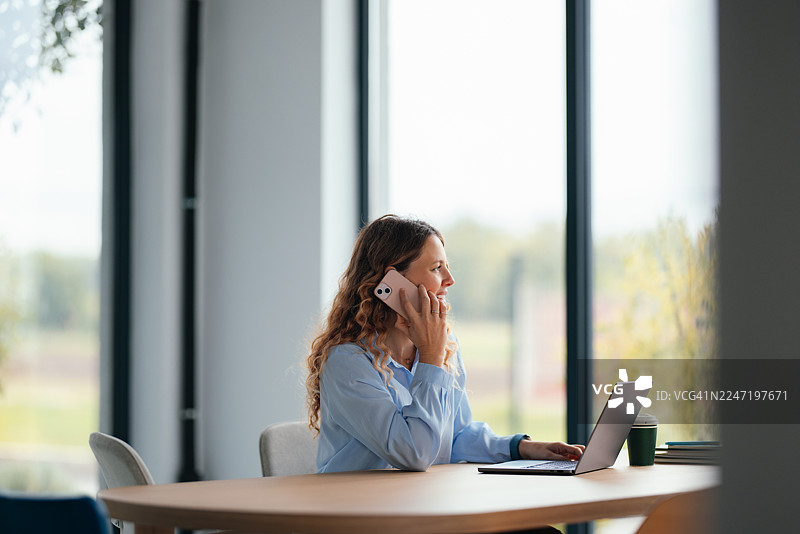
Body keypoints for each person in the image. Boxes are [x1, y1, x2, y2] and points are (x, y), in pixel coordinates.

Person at [305, 214, 585, 474]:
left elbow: (455, 434)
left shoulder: (443, 347)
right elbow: (414, 453)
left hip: (421, 505)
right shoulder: (348, 361)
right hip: (363, 517)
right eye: (437, 268)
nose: (449, 280)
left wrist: (522, 448)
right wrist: (430, 358)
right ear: (393, 281)